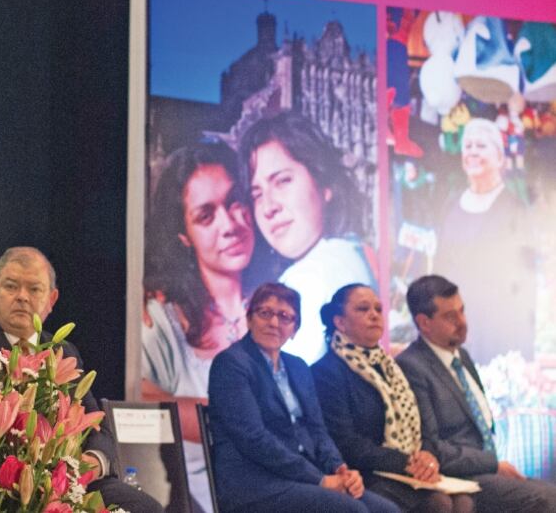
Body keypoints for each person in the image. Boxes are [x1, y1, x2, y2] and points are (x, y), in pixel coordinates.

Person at [0, 247, 164, 513]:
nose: (22, 297)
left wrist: (91, 462)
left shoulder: (63, 352)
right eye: (11, 286)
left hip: (64, 479)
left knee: (145, 507)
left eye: (34, 289)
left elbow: (96, 423)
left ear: (51, 300)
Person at [207, 282, 399, 512]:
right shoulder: (231, 363)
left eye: (285, 317)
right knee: (352, 510)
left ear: (295, 329)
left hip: (302, 477)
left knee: (387, 510)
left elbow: (318, 430)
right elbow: (253, 438)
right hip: (255, 483)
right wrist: (319, 480)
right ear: (249, 319)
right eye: (265, 313)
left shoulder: (297, 367)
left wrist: (340, 469)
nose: (274, 323)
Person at [141, 142, 255, 512]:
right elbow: (132, 400)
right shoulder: (160, 319)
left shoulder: (285, 295)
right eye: (206, 215)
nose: (230, 225)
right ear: (183, 235)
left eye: (235, 201)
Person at [396, 275, 556, 512]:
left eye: (462, 311)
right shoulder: (411, 367)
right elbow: (431, 447)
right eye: (450, 316)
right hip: (458, 475)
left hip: (485, 469)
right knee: (546, 499)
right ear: (424, 323)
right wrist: (492, 464)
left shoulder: (461, 356)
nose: (462, 322)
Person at [313, 284, 474, 512]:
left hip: (404, 471)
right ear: (339, 322)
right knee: (438, 504)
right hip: (363, 474)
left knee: (463, 502)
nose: (374, 315)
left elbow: (422, 425)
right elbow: (346, 442)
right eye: (363, 309)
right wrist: (406, 462)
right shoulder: (326, 372)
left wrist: (426, 456)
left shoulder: (390, 366)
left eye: (378, 309)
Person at [240, 111, 376, 363]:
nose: (268, 207)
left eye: (282, 181)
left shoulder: (313, 275)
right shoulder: (349, 252)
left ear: (325, 185)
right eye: (257, 194)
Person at [434, 118, 535, 362]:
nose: (472, 152)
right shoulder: (451, 204)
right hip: (456, 329)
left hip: (500, 330)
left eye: (481, 146)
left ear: (500, 158)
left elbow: (525, 280)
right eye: (468, 146)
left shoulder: (515, 208)